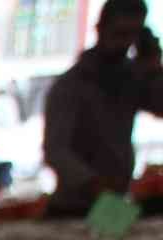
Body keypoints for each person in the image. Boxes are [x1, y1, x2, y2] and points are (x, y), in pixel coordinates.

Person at [44, 0, 163, 215]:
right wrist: (95, 184)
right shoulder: (72, 85)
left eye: (133, 35)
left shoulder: (129, 78)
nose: (126, 43)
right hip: (75, 206)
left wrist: (154, 68)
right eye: (119, 34)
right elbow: (56, 150)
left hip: (112, 201)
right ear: (100, 29)